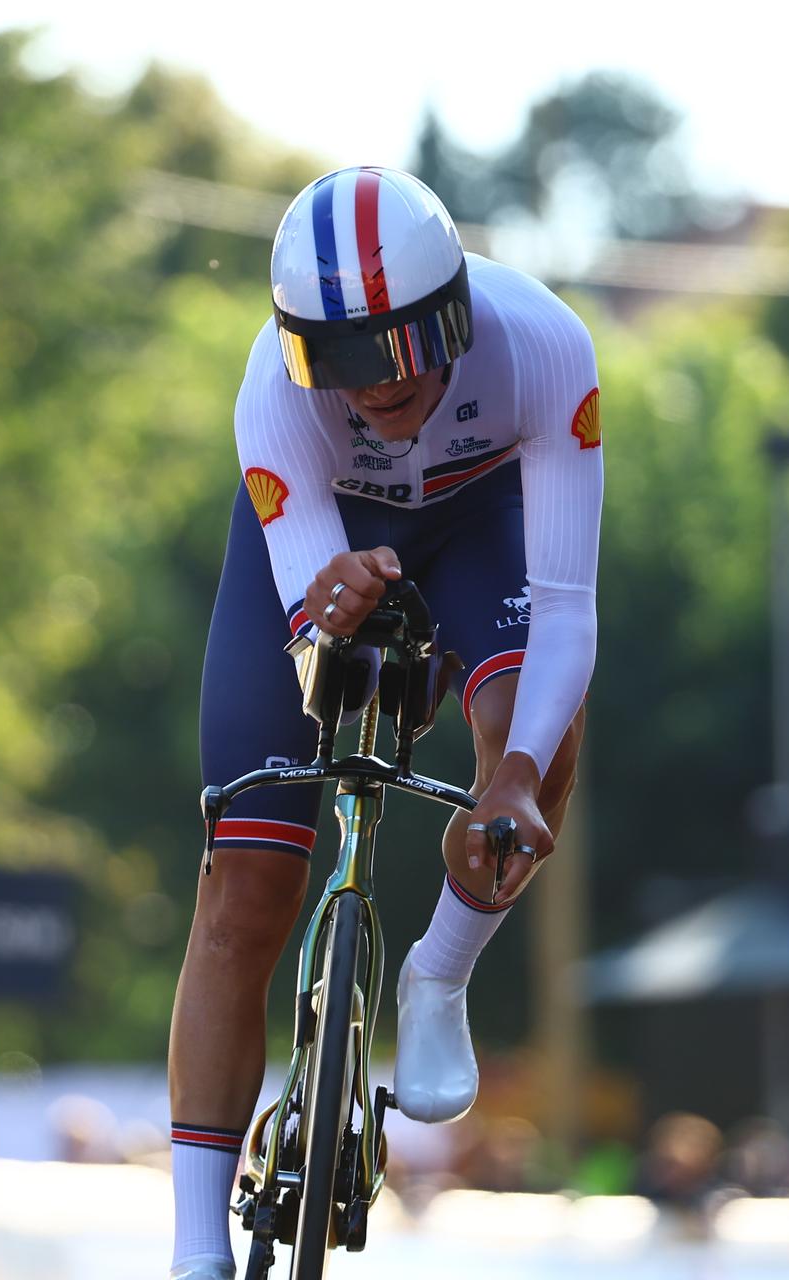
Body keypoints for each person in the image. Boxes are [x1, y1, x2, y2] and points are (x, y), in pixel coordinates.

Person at [165, 165, 604, 1279]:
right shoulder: (273, 388)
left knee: (536, 744)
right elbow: (309, 604)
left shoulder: (545, 349)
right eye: (339, 362)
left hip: (484, 520)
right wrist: (332, 591)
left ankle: (439, 973)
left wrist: (508, 773)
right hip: (331, 539)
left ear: (453, 314)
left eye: (396, 350)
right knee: (243, 892)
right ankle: (191, 1254)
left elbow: (564, 611)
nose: (371, 388)